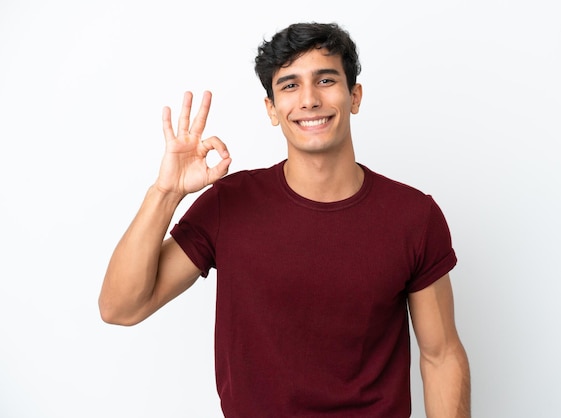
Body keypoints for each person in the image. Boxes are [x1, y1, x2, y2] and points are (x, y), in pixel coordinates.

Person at [99, 22, 470, 417]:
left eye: (325, 79)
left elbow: (441, 355)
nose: (308, 100)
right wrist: (166, 193)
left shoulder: (412, 216)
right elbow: (121, 308)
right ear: (272, 109)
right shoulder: (230, 203)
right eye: (290, 85)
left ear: (354, 96)